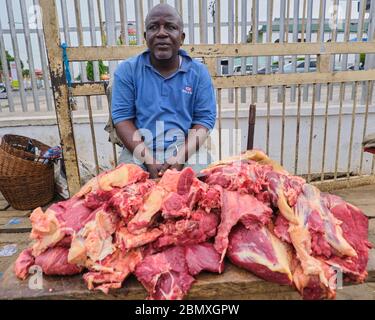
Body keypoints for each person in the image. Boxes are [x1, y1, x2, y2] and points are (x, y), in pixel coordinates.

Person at [111, 4, 216, 178]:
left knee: (203, 191)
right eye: (153, 27)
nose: (161, 33)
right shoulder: (127, 71)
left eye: (170, 27)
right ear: (146, 37)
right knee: (124, 193)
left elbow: (204, 119)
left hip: (186, 149)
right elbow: (122, 118)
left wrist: (180, 157)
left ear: (181, 37)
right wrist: (149, 161)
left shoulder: (198, 73)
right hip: (138, 149)